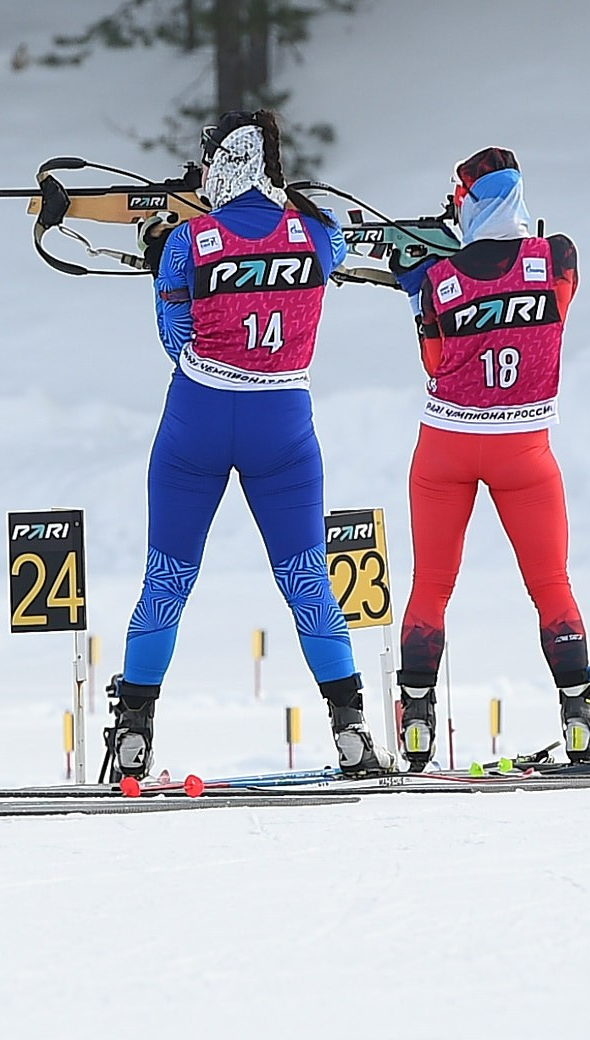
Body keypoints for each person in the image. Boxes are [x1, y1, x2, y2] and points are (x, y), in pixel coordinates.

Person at [100, 112, 385, 781]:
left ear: (221, 164)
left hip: (197, 417)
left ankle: (135, 732)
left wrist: (161, 256)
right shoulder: (315, 237)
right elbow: (335, 240)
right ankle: (351, 732)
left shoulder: (188, 242)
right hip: (282, 423)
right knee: (309, 582)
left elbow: (175, 339)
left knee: (166, 584)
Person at [387, 146, 590, 769]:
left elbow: (434, 360)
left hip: (446, 446)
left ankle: (418, 723)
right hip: (524, 448)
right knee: (551, 585)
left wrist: (421, 281)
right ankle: (579, 721)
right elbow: (547, 278)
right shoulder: (556, 256)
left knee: (430, 586)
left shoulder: (440, 280)